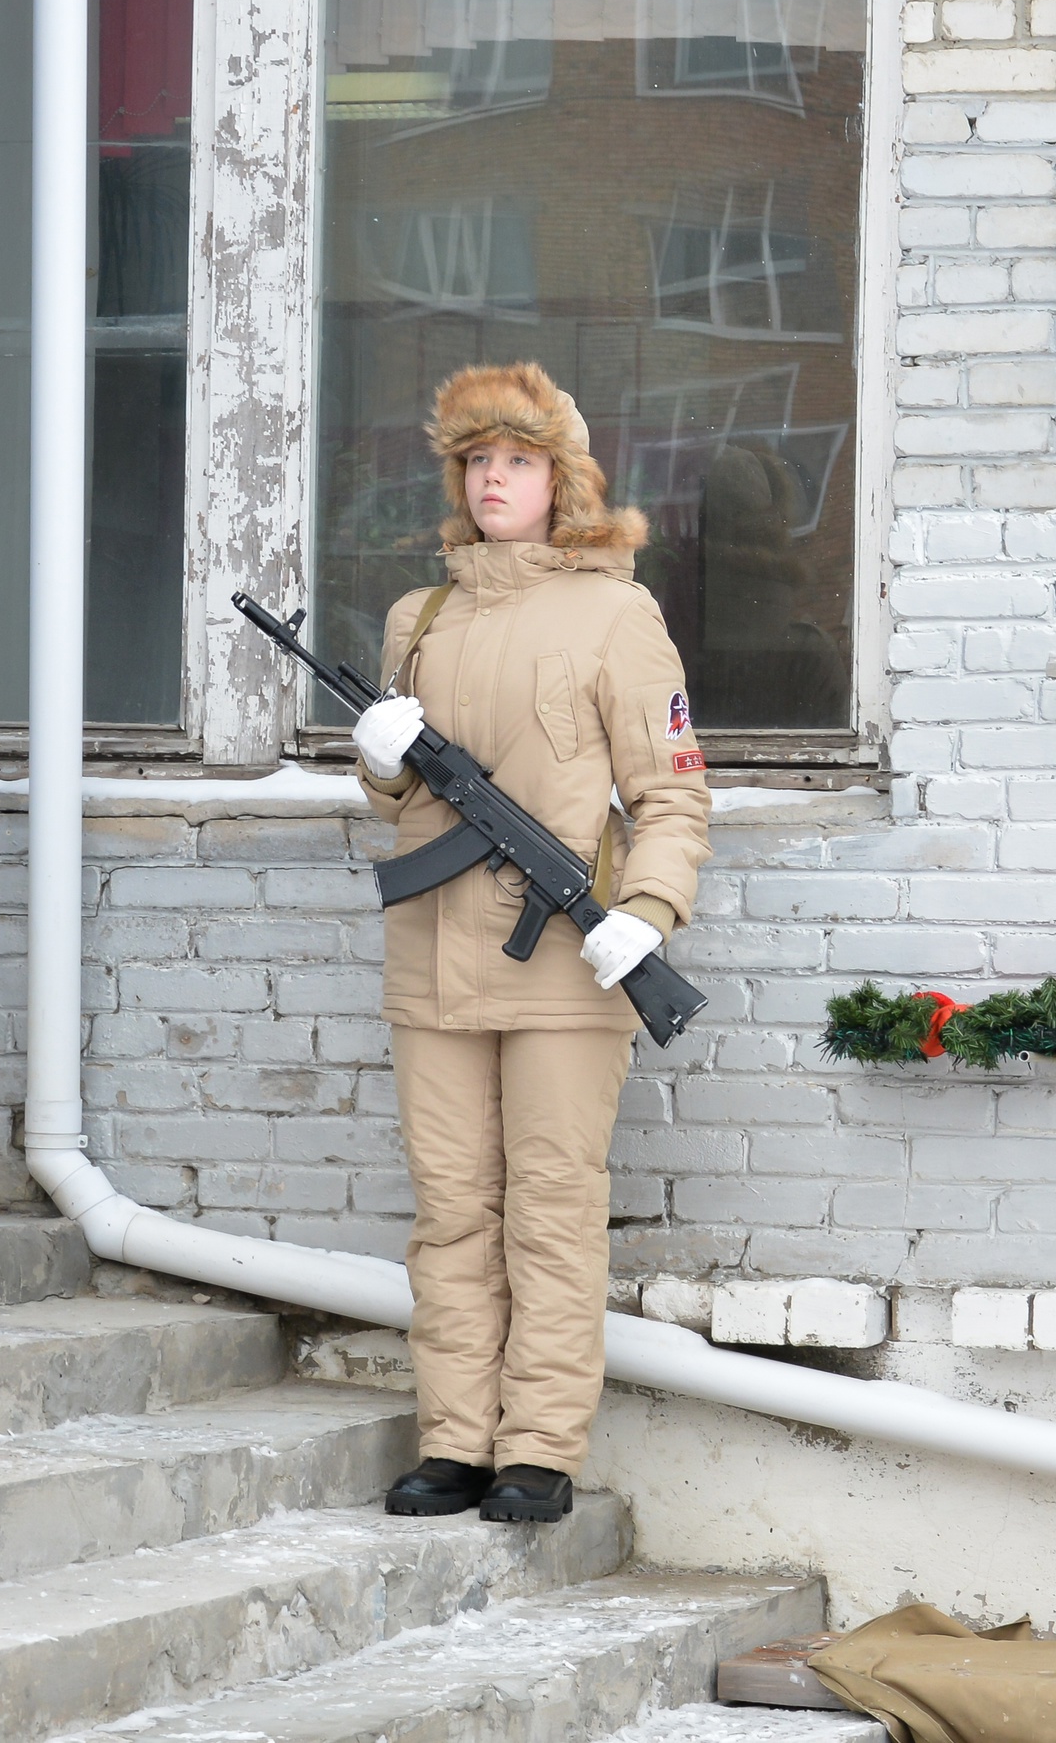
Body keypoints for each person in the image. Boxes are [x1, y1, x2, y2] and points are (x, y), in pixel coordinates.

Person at [351, 362, 712, 1524]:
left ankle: (538, 1449)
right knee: (451, 1207)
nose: (491, 478)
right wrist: (377, 755)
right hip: (432, 959)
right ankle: (454, 1440)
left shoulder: (617, 612)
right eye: (475, 461)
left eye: (515, 460)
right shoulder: (422, 617)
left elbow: (673, 793)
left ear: (564, 482)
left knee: (550, 1206)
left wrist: (645, 918)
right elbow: (400, 810)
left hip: (566, 961)